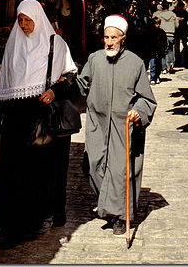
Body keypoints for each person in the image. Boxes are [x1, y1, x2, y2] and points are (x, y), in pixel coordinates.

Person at [0, 0, 77, 248]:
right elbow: (6, 82)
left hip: (42, 115)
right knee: (13, 170)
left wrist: (54, 91)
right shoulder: (13, 45)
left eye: (28, 19)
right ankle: (11, 225)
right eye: (20, 19)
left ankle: (32, 222)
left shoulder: (55, 43)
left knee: (38, 170)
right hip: (15, 118)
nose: (24, 24)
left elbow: (70, 75)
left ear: (38, 19)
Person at [76, 14, 156, 235]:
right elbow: (82, 83)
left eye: (114, 38)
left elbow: (147, 99)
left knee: (121, 171)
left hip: (125, 125)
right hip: (97, 123)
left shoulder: (135, 63)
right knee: (92, 165)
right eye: (106, 37)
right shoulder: (94, 59)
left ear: (123, 39)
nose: (109, 42)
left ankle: (121, 215)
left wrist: (138, 112)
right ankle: (111, 204)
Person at [152, 0, 178, 73]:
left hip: (161, 35)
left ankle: (164, 68)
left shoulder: (159, 15)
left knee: (162, 51)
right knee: (170, 50)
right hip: (171, 34)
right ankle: (171, 63)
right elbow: (177, 25)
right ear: (169, 6)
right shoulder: (173, 14)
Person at [139, 17, 168, 84]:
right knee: (147, 65)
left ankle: (155, 77)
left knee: (156, 65)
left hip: (157, 51)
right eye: (156, 24)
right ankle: (148, 78)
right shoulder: (148, 32)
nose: (157, 26)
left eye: (158, 24)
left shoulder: (161, 32)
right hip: (149, 51)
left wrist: (163, 48)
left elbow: (164, 41)